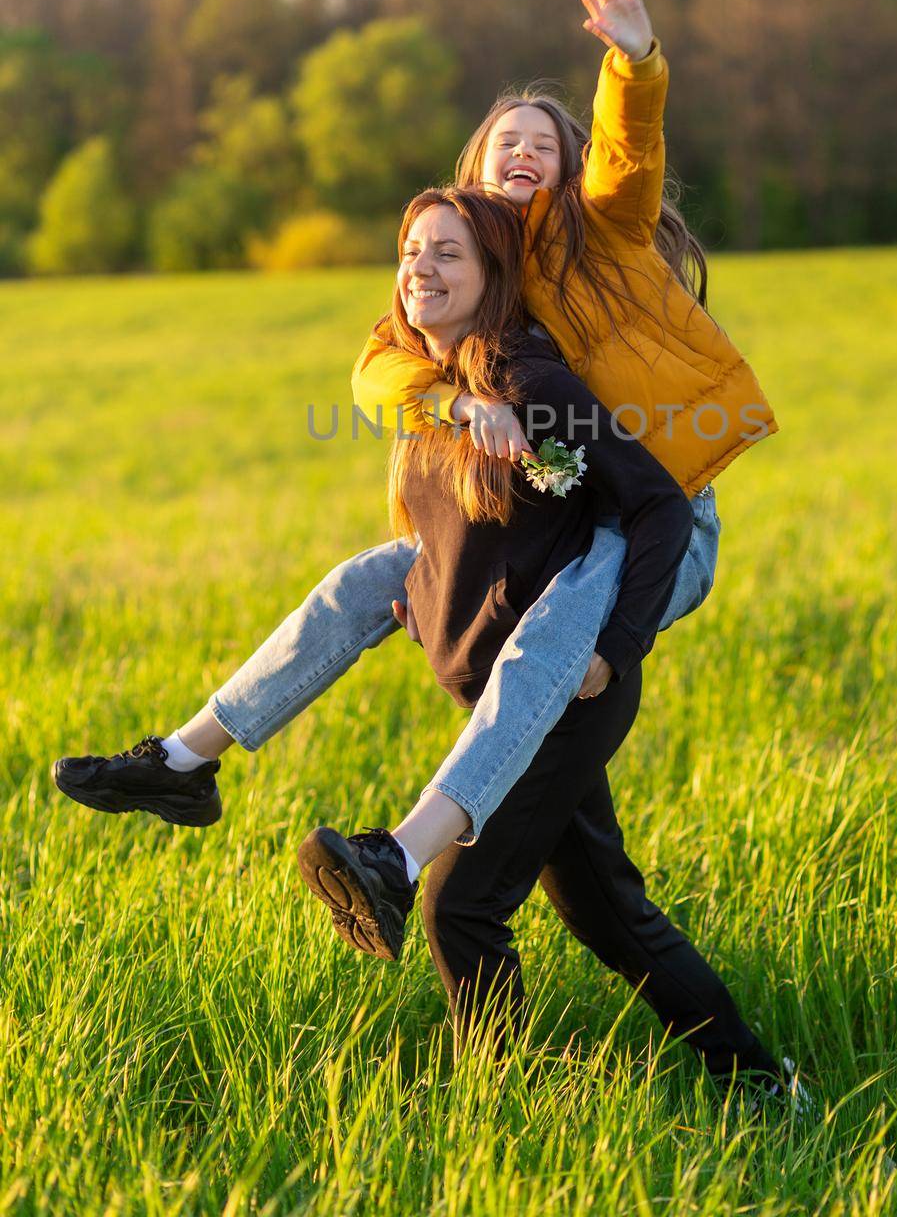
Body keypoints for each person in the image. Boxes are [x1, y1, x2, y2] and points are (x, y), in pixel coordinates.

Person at [51, 0, 777, 886]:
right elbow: (374, 368)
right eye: (505, 142)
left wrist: (634, 65)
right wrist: (456, 401)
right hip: (550, 523)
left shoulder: (601, 239)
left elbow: (629, 162)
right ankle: (184, 762)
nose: (523, 152)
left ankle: (401, 859)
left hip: (651, 521)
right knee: (364, 582)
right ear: (473, 173)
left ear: (572, 168)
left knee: (550, 658)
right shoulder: (466, 283)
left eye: (544, 145)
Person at [295, 186, 805, 1112]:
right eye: (410, 251)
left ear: (495, 271)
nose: (421, 269)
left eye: (447, 253)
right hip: (500, 697)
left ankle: (502, 1115)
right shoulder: (432, 387)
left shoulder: (529, 377)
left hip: (565, 688)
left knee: (460, 905)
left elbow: (654, 503)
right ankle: (764, 1087)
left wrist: (614, 644)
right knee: (608, 912)